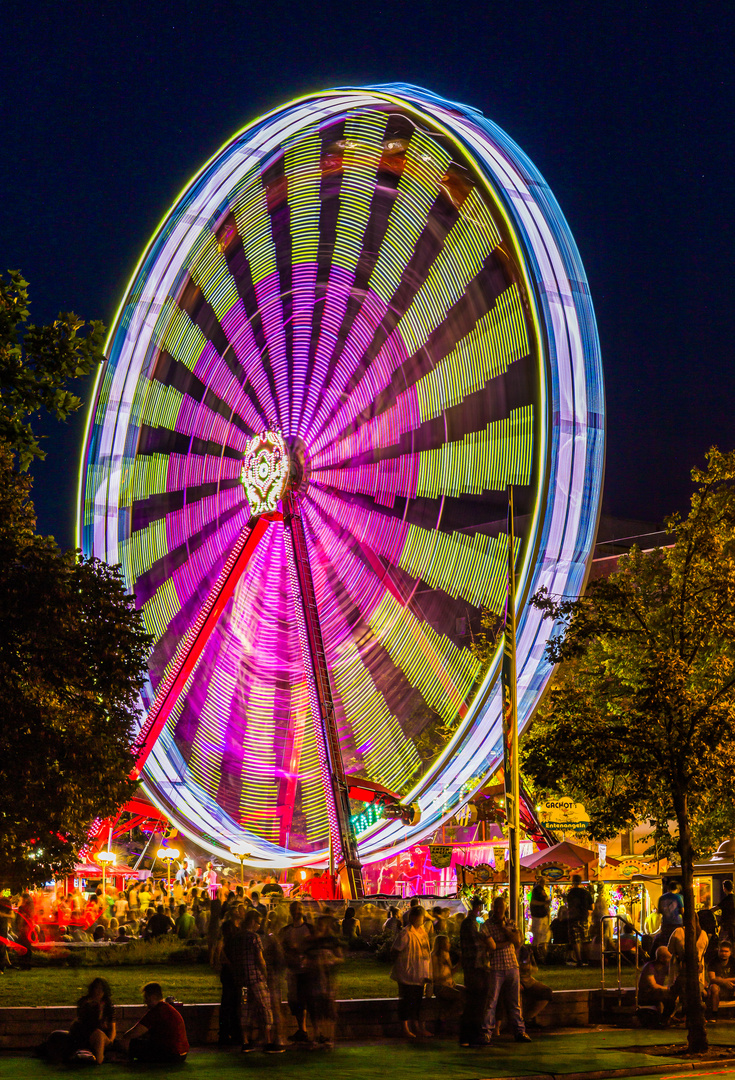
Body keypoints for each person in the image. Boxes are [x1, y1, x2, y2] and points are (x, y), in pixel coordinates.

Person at [232, 909, 282, 1053]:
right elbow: (260, 958)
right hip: (256, 979)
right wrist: (265, 974)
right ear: (252, 921)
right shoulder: (254, 937)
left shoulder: (236, 938)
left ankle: (246, 1042)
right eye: (258, 923)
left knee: (244, 1009)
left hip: (243, 982)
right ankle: (269, 1041)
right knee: (265, 1007)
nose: (259, 926)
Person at [483, 895, 531, 1043]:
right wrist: (507, 941)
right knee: (492, 1001)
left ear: (505, 908)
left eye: (501, 907)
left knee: (515, 1001)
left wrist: (504, 930)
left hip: (511, 966)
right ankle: (486, 1032)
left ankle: (519, 1031)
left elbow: (517, 941)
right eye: (496, 907)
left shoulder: (511, 923)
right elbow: (492, 946)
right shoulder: (486, 925)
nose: (498, 910)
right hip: (496, 967)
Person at [391, 905, 432, 1039]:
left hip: (420, 974)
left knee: (417, 1002)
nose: (423, 920)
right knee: (407, 1002)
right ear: (414, 917)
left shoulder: (423, 931)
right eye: (421, 917)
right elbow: (395, 951)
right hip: (407, 974)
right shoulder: (406, 933)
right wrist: (402, 965)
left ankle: (417, 1027)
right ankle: (405, 1028)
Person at [303, 913, 343, 1049]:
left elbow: (340, 958)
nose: (319, 926)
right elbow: (304, 956)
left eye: (322, 924)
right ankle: (316, 1036)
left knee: (328, 1010)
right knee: (314, 1009)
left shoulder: (332, 940)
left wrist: (330, 959)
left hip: (327, 979)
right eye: (318, 924)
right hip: (314, 979)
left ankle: (329, 1038)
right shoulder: (311, 941)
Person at [122, 982, 189, 1062]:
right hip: (181, 1054)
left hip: (170, 1054)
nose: (145, 1001)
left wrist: (122, 1039)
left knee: (127, 1043)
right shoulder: (166, 1008)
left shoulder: (157, 1011)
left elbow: (134, 1033)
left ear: (152, 997)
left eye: (146, 998)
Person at [459, 896, 493, 1047]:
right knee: (476, 1002)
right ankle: (470, 1035)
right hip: (476, 967)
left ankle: (471, 1035)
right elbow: (479, 943)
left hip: (474, 966)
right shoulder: (472, 924)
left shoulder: (471, 923)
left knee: (476, 1002)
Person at [280, 901, 314, 1043]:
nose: (297, 912)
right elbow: (280, 948)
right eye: (294, 909)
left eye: (299, 909)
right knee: (296, 1001)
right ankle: (302, 1030)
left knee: (308, 1001)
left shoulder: (309, 929)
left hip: (307, 971)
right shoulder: (286, 931)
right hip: (293, 971)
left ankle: (311, 1031)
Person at [67, 977, 116, 1064]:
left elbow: (112, 1026)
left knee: (100, 1035)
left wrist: (111, 1041)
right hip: (87, 1035)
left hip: (103, 1037)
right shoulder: (85, 1003)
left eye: (101, 989)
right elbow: (84, 1022)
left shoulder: (107, 1005)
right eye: (96, 988)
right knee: (98, 1034)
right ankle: (98, 1060)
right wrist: (96, 1008)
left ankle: (99, 1060)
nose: (98, 991)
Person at [431, 933, 463, 1035]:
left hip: (449, 984)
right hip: (440, 986)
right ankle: (443, 1017)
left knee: (467, 991)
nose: (449, 944)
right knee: (460, 996)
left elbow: (451, 973)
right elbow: (436, 977)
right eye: (447, 942)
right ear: (442, 944)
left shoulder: (446, 955)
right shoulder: (435, 957)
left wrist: (459, 963)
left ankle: (446, 1016)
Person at [638, 946, 676, 1024]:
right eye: (669, 958)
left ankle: (668, 1017)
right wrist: (668, 988)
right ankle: (664, 1019)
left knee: (674, 996)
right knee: (669, 997)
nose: (670, 960)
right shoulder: (649, 967)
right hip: (647, 994)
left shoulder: (664, 967)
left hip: (657, 992)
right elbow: (653, 985)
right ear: (662, 958)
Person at [518, 945, 553, 1029]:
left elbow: (534, 969)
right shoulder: (508, 951)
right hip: (514, 980)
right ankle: (519, 1022)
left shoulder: (525, 950)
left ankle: (528, 1018)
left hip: (528, 980)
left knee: (546, 991)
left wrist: (527, 966)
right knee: (517, 993)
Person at [566, 875, 593, 967]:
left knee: (575, 940)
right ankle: (588, 959)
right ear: (581, 882)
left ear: (573, 882)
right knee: (586, 939)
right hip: (583, 917)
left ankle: (579, 960)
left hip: (573, 918)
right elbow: (592, 907)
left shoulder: (570, 893)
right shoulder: (586, 893)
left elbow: (569, 906)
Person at [707, 940, 735, 1020]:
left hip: (731, 986)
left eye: (726, 951)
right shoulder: (713, 962)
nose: (724, 953)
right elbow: (712, 978)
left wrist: (724, 980)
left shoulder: (733, 962)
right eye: (722, 951)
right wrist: (724, 982)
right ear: (718, 951)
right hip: (718, 987)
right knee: (714, 987)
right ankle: (714, 1013)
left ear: (730, 952)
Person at [656, 879, 684, 946]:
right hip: (677, 923)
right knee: (677, 943)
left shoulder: (661, 898)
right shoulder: (679, 897)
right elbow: (682, 911)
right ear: (678, 889)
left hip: (665, 924)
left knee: (666, 943)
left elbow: (659, 911)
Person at [530, 874, 551, 962]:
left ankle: (543, 957)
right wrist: (544, 904)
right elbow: (533, 902)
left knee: (544, 937)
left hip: (543, 916)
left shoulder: (541, 890)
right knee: (538, 938)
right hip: (538, 917)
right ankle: (535, 957)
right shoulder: (537, 890)